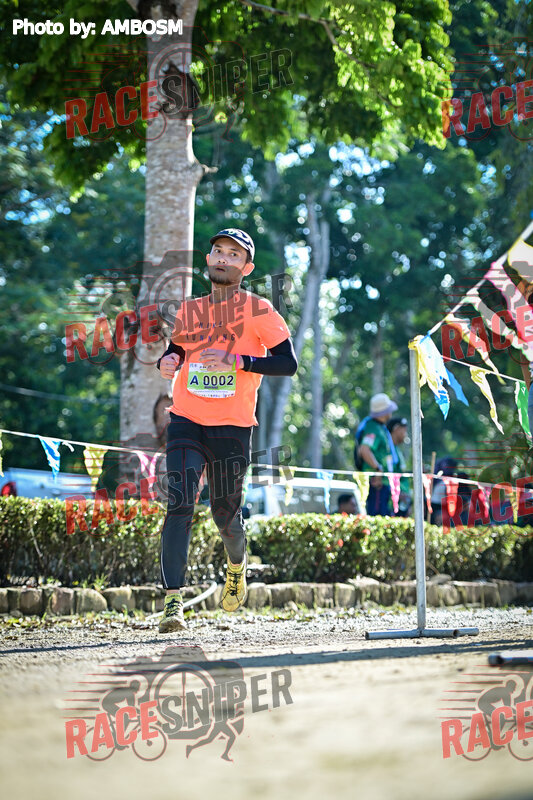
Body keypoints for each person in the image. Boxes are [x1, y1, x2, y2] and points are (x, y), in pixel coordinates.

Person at [156, 228, 297, 633]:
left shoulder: (260, 310)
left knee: (224, 515)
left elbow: (287, 364)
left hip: (233, 427)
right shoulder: (189, 311)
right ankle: (172, 603)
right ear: (208, 259)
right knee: (179, 503)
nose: (222, 257)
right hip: (186, 419)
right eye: (218, 251)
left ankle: (237, 564)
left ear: (246, 268)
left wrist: (239, 361)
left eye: (233, 254)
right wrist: (168, 361)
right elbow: (178, 350)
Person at [355, 393, 398, 516]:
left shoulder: (379, 427)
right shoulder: (373, 428)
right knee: (377, 516)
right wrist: (378, 469)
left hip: (382, 482)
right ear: (384, 412)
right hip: (376, 482)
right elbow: (364, 450)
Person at [387, 417, 412, 516]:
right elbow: (387, 474)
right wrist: (396, 493)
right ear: (396, 429)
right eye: (404, 430)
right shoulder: (387, 449)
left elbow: (400, 473)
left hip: (401, 502)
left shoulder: (396, 449)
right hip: (391, 503)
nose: (405, 434)